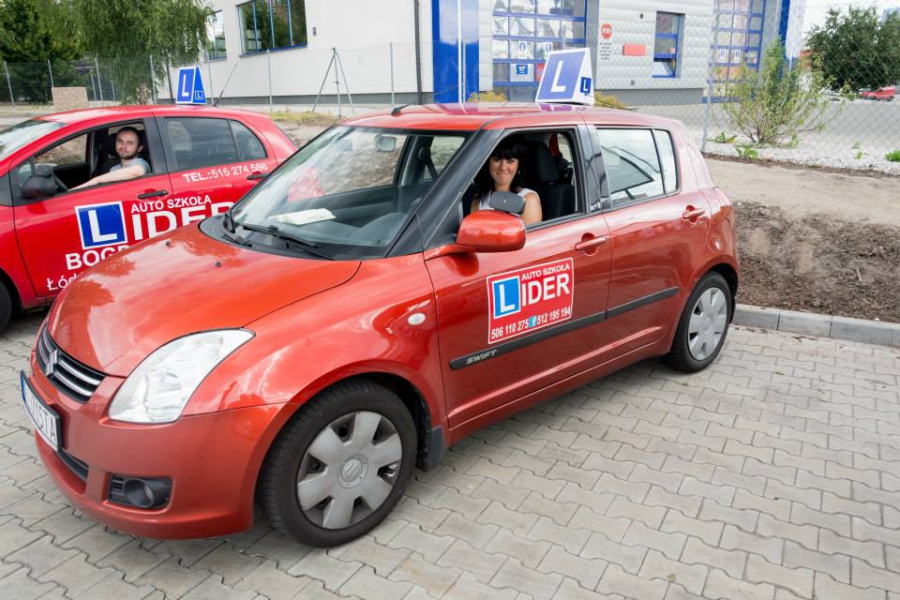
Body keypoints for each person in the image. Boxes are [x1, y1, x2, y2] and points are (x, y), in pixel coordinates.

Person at [470, 140, 542, 226]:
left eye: (510, 161)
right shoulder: (479, 198)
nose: (503, 167)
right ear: (488, 162)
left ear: (518, 165)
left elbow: (529, 235)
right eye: (496, 160)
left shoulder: (528, 199)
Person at [73, 127, 150, 190]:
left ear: (139, 148)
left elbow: (136, 172)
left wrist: (96, 180)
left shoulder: (142, 163)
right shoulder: (113, 169)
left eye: (129, 143)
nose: (123, 146)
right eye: (120, 141)